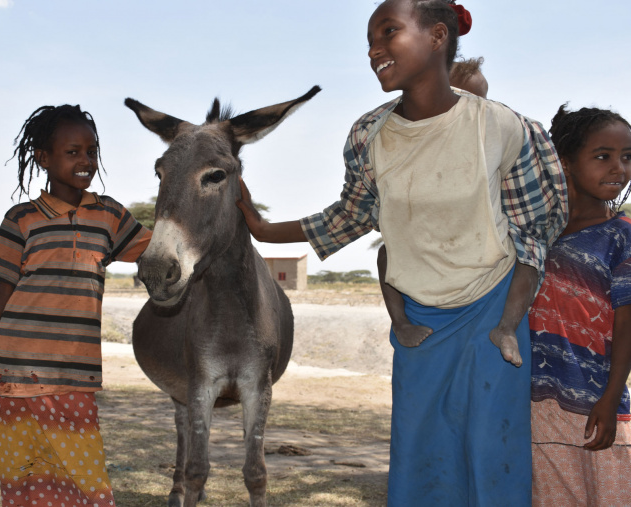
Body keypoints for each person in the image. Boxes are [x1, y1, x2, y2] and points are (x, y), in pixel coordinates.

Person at [236, 0, 567, 504]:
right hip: (419, 324)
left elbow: (536, 226)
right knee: (420, 456)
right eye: (370, 39)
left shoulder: (504, 127)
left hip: (492, 313)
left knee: (492, 454)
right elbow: (347, 217)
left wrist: (509, 317)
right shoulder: (370, 135)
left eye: (388, 32)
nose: (374, 49)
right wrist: (261, 227)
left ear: (437, 36)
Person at [0, 105, 151, 506]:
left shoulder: (110, 216)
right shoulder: (21, 219)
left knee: (88, 486)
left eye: (91, 150)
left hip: (73, 372)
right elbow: (0, 292)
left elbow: (162, 251)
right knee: (26, 483)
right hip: (15, 371)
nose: (86, 160)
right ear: (44, 158)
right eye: (73, 152)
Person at [530, 105, 631, 505]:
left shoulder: (620, 237)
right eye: (603, 156)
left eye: (627, 157)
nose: (618, 169)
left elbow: (627, 324)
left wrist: (611, 396)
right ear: (566, 163)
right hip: (535, 403)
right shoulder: (537, 232)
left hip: (596, 406)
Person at [376, 53, 490, 348]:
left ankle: (506, 327)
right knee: (387, 252)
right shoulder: (403, 152)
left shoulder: (492, 147)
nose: (477, 108)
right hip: (424, 280)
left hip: (483, 282)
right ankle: (401, 324)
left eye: (483, 100)